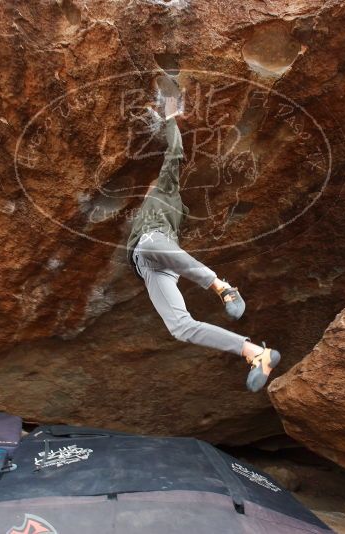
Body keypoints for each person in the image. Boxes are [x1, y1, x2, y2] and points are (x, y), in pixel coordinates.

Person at [126, 95, 280, 392]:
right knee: (180, 328)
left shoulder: (165, 192)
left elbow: (175, 152)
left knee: (148, 244)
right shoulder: (161, 211)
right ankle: (256, 353)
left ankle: (222, 287)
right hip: (151, 268)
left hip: (153, 244)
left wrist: (170, 115)